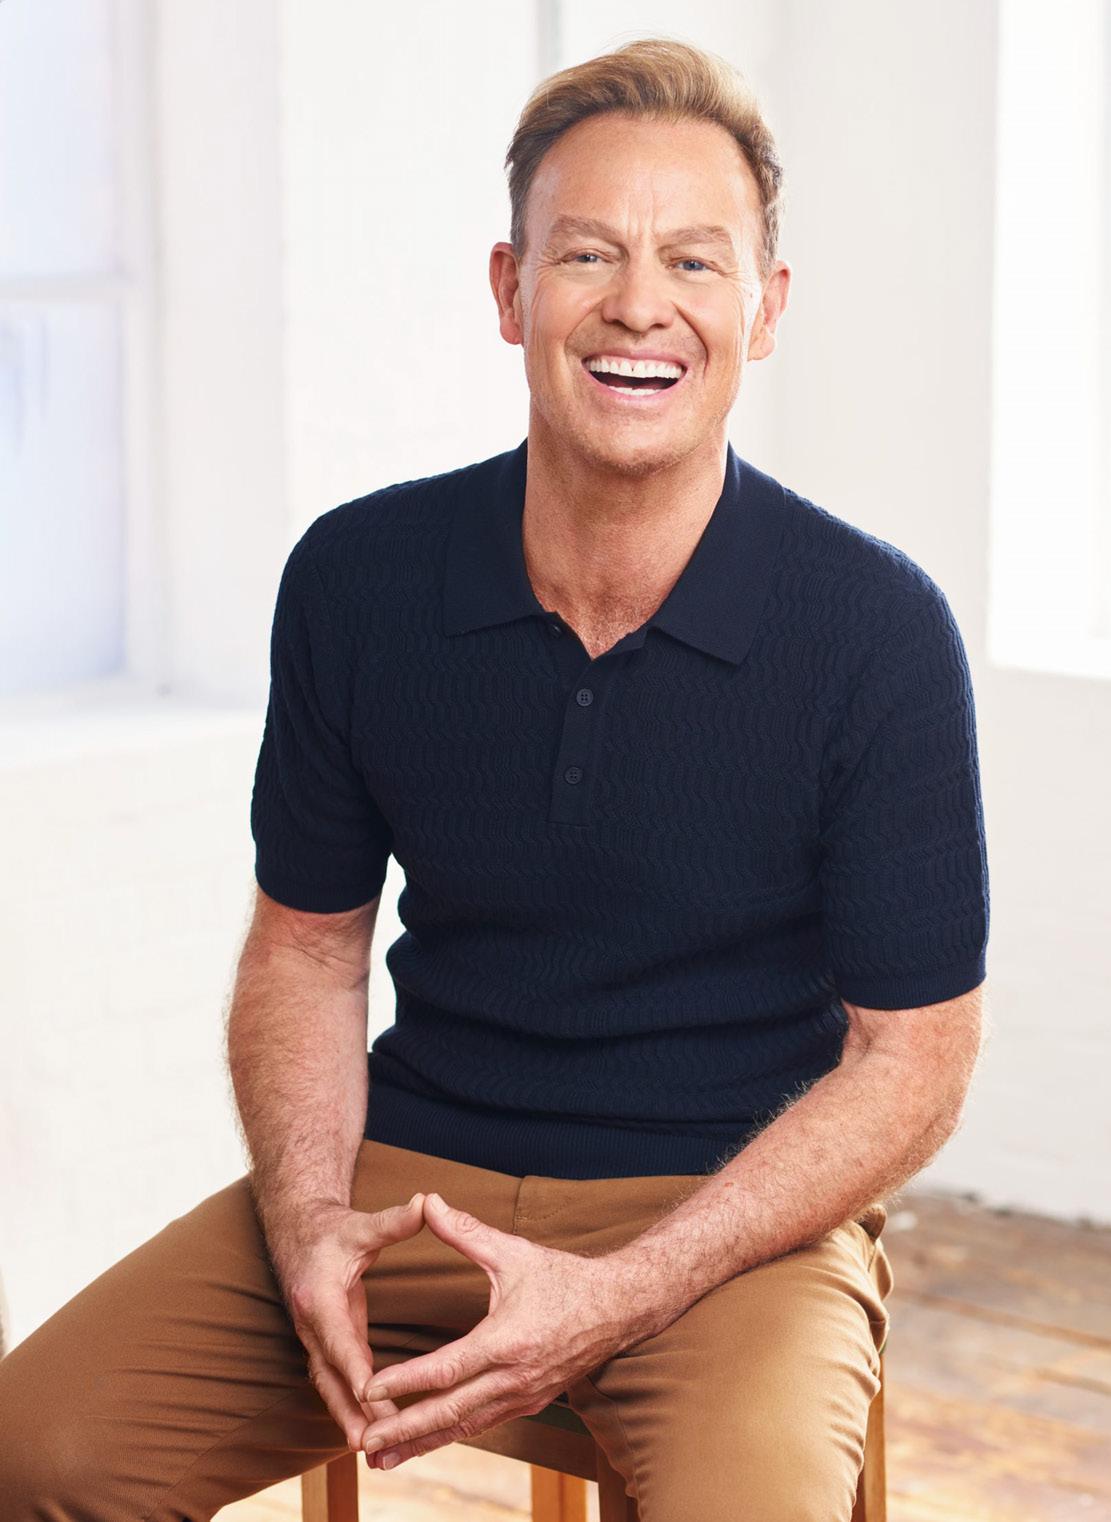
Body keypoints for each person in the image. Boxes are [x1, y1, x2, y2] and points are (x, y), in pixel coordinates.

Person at [0, 35, 989, 1522]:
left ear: (766, 308)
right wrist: (309, 1223)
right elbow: (307, 949)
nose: (639, 304)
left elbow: (914, 1058)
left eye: (695, 261)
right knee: (33, 1451)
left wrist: (628, 1288)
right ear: (511, 290)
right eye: (587, 253)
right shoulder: (359, 579)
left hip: (729, 1219)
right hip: (411, 1183)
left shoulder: (875, 630)